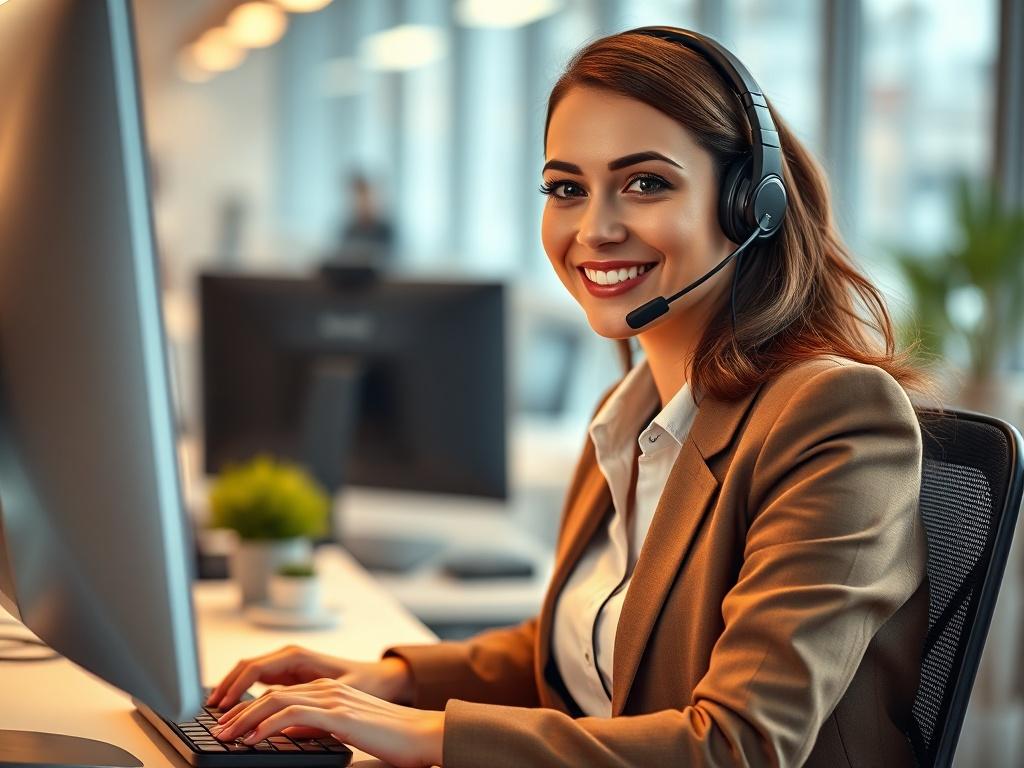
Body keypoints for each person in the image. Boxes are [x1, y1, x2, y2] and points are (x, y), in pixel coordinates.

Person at [204, 26, 941, 767]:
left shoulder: (834, 418)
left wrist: (429, 736)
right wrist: (389, 682)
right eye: (566, 189)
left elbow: (738, 746)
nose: (596, 228)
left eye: (646, 182)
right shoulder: (632, 412)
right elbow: (581, 649)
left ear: (751, 205)